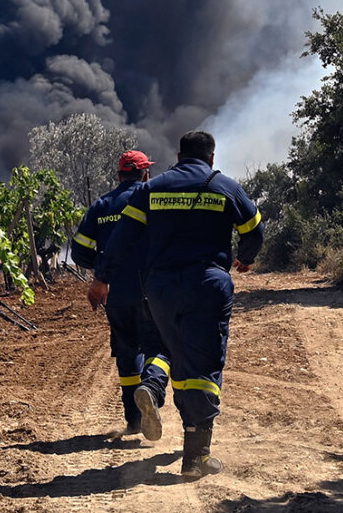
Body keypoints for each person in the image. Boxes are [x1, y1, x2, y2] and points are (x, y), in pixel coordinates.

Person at [90, 130, 264, 479]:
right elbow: (254, 230)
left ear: (179, 155)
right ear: (211, 158)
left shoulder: (151, 189)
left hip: (161, 289)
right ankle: (195, 456)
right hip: (207, 286)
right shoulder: (224, 186)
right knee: (204, 366)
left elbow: (122, 238)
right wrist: (245, 258)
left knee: (172, 352)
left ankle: (154, 389)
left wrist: (102, 277)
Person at [69, 149, 171, 439]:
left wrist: (102, 270)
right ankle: (151, 388)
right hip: (151, 291)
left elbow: (79, 250)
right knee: (161, 348)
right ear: (146, 174)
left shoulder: (101, 205)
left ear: (118, 175)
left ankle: (134, 422)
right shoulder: (153, 200)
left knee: (127, 355)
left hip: (115, 293)